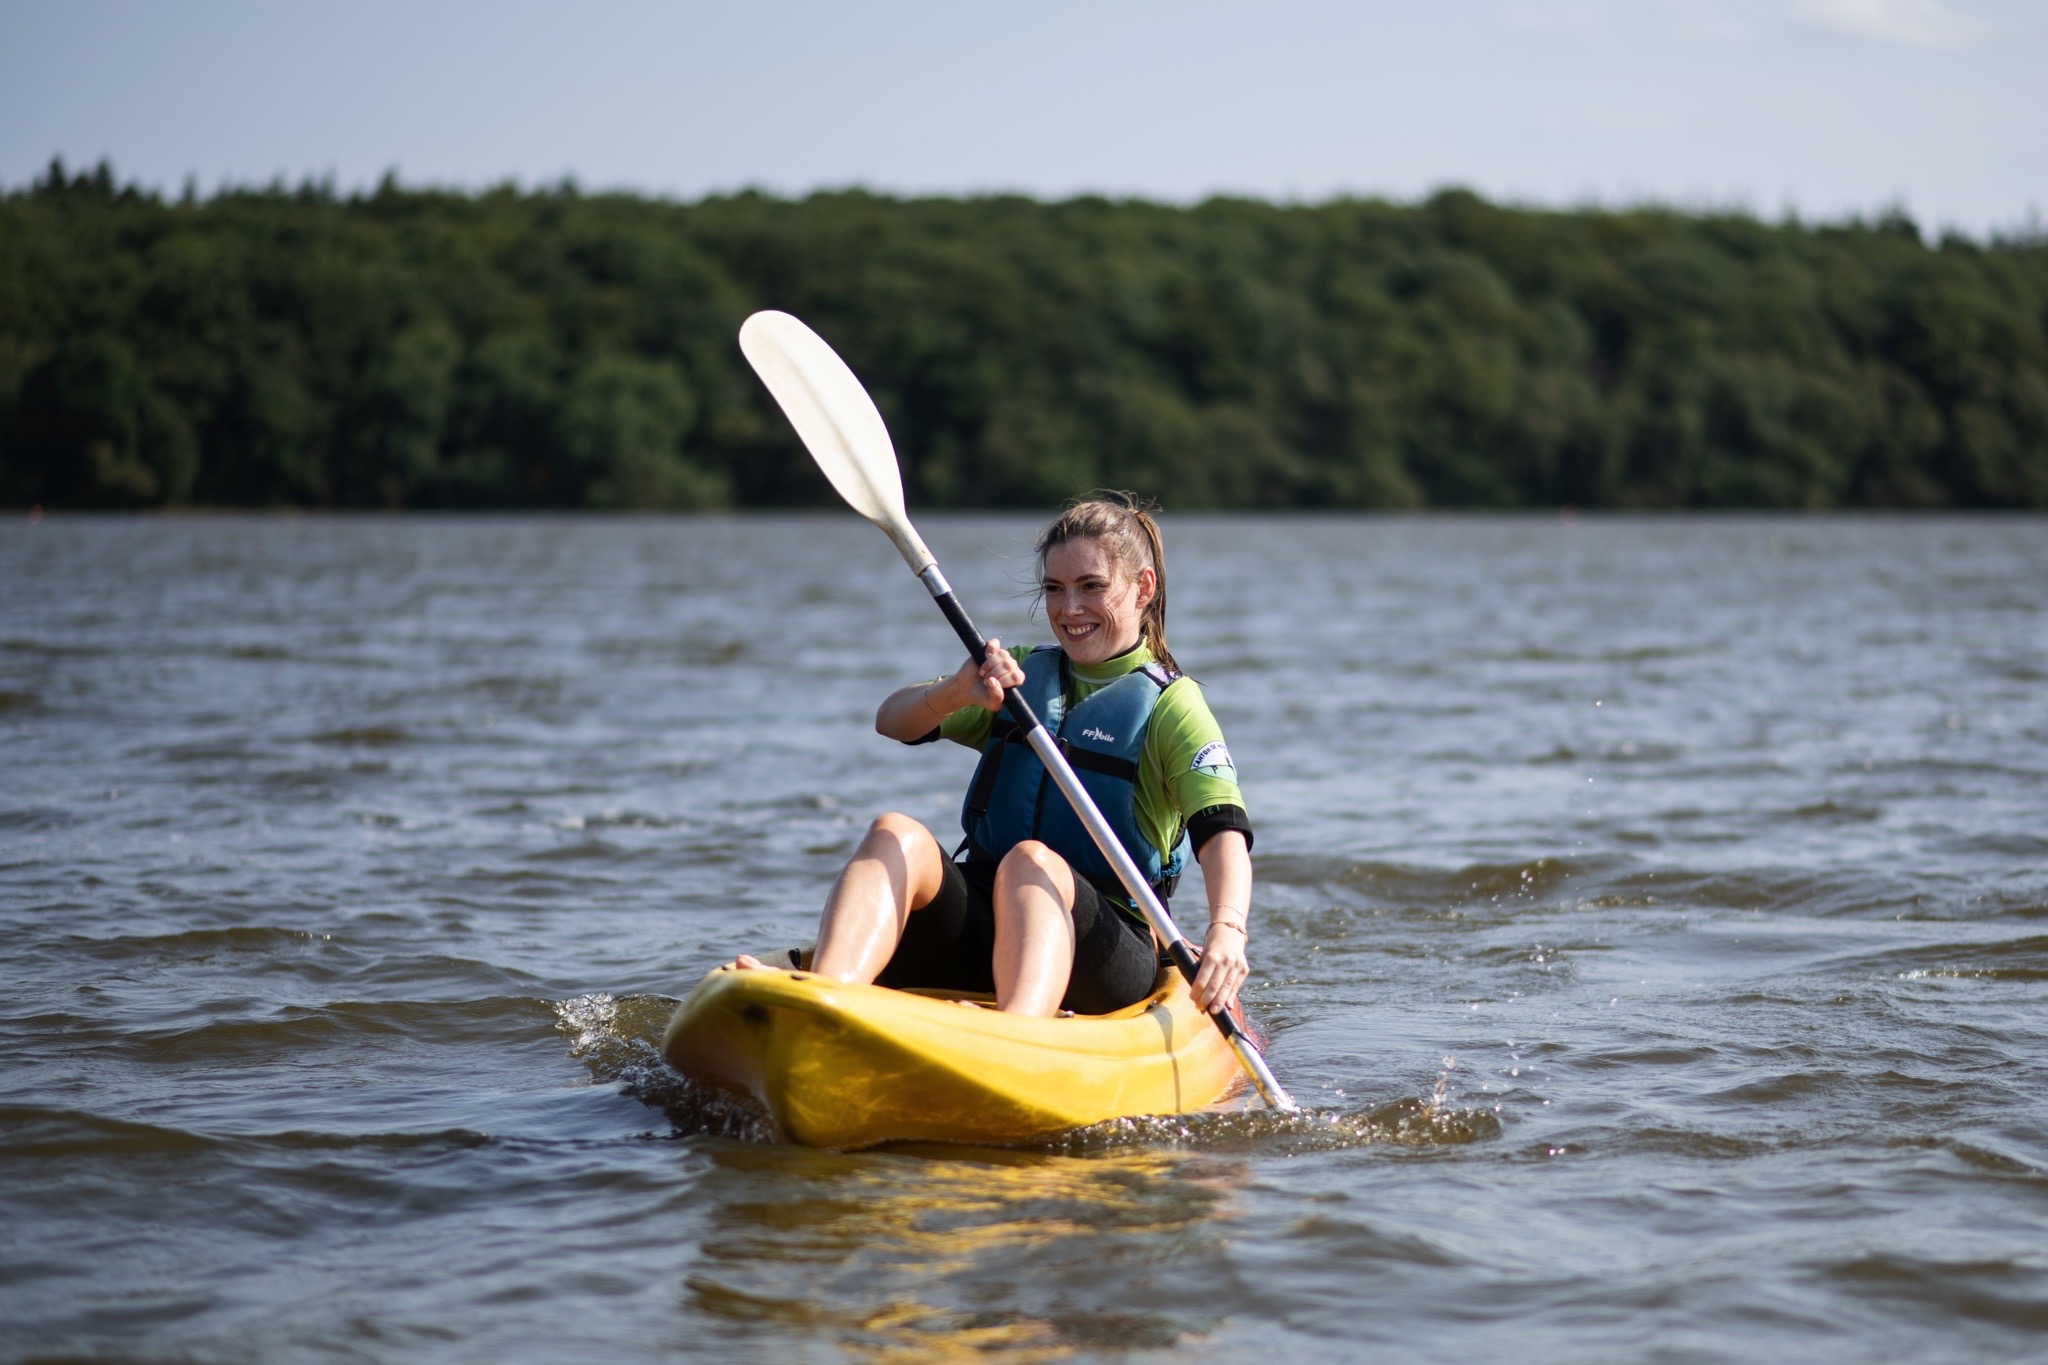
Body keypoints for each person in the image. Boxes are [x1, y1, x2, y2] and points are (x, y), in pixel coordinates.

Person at [736, 494, 1256, 1017]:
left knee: (1030, 862)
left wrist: (1227, 931)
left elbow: (1221, 833)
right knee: (894, 829)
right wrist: (959, 692)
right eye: (1054, 589)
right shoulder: (1022, 675)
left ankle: (1016, 1030)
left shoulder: (1173, 706)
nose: (1069, 608)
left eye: (1091, 587)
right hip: (984, 925)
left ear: (1142, 587)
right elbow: (891, 720)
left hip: (1104, 944)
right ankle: (828, 995)